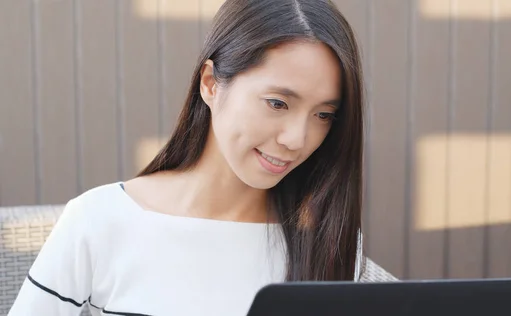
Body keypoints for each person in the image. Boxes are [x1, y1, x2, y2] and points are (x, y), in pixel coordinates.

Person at [8, 0, 385, 315]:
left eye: (323, 115)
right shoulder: (99, 221)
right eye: (277, 103)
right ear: (210, 84)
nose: (296, 139)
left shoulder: (329, 241)